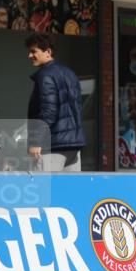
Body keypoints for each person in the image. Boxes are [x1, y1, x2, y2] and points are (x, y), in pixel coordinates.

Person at [26, 33, 85, 171]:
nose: (29, 56)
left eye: (33, 51)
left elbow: (48, 111)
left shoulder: (46, 75)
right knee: (70, 192)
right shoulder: (70, 73)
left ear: (48, 52)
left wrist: (36, 142)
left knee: (43, 191)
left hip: (53, 146)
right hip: (73, 147)